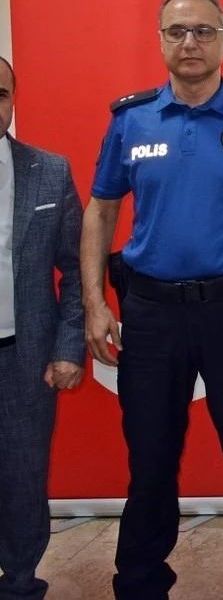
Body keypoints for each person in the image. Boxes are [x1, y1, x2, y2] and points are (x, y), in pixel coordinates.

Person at [80, 0, 223, 600]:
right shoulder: (132, 119)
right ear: (161, 41)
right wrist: (94, 303)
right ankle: (141, 584)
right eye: (177, 31)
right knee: (149, 463)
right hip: (151, 316)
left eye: (203, 31)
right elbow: (100, 210)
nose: (190, 42)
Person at [0, 56, 84, 600]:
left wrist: (69, 346)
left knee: (23, 480)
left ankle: (20, 584)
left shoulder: (49, 171)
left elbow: (76, 268)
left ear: (13, 99)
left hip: (23, 358)